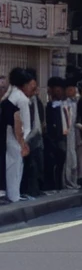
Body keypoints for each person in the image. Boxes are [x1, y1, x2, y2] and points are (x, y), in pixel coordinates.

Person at [3, 69, 35, 202]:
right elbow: (25, 125)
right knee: (15, 166)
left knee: (11, 165)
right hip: (16, 136)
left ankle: (12, 194)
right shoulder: (21, 99)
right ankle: (14, 195)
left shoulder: (10, 95)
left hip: (7, 134)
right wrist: (23, 141)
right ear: (25, 84)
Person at [22, 71, 46, 198]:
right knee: (30, 165)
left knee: (38, 164)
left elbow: (40, 117)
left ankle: (36, 188)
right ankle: (30, 190)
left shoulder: (35, 100)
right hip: (27, 136)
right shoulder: (22, 101)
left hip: (37, 135)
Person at [44, 77, 67, 191]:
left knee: (61, 162)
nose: (60, 93)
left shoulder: (63, 105)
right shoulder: (49, 106)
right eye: (57, 90)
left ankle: (59, 185)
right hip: (53, 139)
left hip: (61, 137)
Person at [62, 79, 79, 188]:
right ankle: (67, 182)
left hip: (72, 133)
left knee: (72, 157)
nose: (74, 92)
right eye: (72, 89)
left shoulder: (74, 103)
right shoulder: (63, 104)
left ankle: (73, 181)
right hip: (66, 133)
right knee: (68, 158)